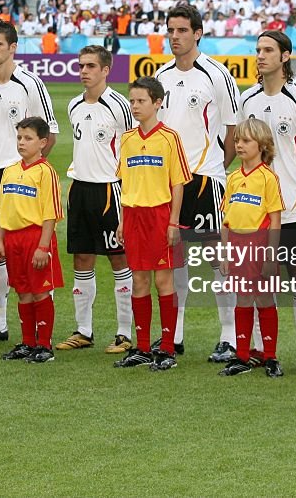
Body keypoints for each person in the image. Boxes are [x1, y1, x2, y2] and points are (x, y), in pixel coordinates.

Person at [238, 30, 296, 373]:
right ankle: (263, 347)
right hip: (259, 212)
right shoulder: (248, 100)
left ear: (285, 56)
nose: (260, 56)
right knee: (262, 281)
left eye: (268, 50)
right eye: (258, 50)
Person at [154, 3, 239, 362]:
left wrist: (216, 165)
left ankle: (229, 335)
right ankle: (175, 335)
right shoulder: (162, 75)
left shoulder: (217, 75)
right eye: (171, 30)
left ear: (198, 33)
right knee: (174, 259)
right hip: (166, 182)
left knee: (216, 258)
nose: (175, 36)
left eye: (182, 31)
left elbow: (233, 128)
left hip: (205, 178)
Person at [0, 21, 59, 343]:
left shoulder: (30, 84)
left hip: (19, 177)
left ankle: (36, 328)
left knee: (25, 248)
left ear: (13, 47)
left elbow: (49, 132)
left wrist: (30, 170)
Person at [57, 45, 135, 354]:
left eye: (90, 66)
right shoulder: (74, 105)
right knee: (82, 258)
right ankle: (83, 330)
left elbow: (130, 150)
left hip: (110, 190)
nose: (84, 71)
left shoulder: (118, 105)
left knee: (119, 259)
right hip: (79, 189)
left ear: (106, 70)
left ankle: (124, 332)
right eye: (81, 65)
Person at [113, 77, 192, 371]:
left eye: (141, 101)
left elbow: (178, 184)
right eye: (132, 101)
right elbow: (125, 182)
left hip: (160, 216)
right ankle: (143, 347)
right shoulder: (128, 139)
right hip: (133, 216)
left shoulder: (170, 138)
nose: (135, 106)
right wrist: (122, 221)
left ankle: (168, 348)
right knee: (139, 280)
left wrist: (173, 222)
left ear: (157, 103)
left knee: (163, 280)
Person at [0, 117, 65, 364]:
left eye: (28, 138)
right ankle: (27, 342)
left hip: (36, 238)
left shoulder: (46, 173)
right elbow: (3, 209)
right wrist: (1, 241)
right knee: (22, 291)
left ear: (42, 142)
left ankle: (44, 345)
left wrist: (43, 247)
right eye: (19, 138)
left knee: (40, 292)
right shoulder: (10, 171)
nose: (22, 143)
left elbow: (51, 214)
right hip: (12, 239)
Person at [217, 119, 285, 378]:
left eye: (246, 141)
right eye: (237, 141)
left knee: (265, 299)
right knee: (243, 299)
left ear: (262, 145)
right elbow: (226, 218)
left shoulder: (268, 178)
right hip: (237, 245)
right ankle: (243, 355)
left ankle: (270, 356)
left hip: (260, 245)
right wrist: (224, 252)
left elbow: (275, 219)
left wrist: (270, 255)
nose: (239, 145)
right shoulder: (233, 178)